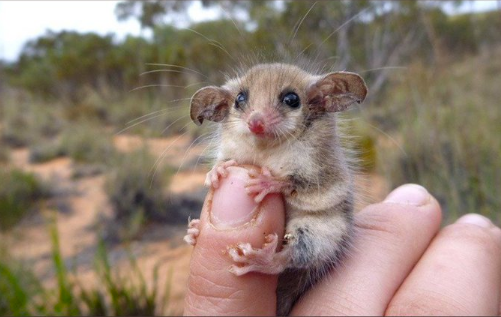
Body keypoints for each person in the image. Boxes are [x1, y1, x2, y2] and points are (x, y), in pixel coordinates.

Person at [183, 166, 501, 316]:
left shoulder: (316, 156)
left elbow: (325, 190)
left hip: (305, 254)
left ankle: (277, 258)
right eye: (241, 101)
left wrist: (283, 183)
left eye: (289, 100)